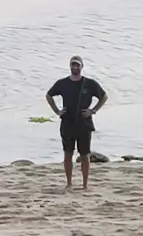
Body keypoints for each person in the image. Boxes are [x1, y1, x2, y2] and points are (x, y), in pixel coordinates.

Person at [45, 56, 108, 191]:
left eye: (77, 65)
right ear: (70, 66)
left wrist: (93, 110)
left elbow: (104, 96)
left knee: (84, 155)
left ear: (82, 67)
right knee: (68, 153)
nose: (75, 67)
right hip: (67, 122)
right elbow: (49, 95)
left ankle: (85, 184)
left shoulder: (89, 84)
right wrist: (57, 111)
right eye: (73, 65)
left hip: (84, 123)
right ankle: (69, 183)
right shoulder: (62, 83)